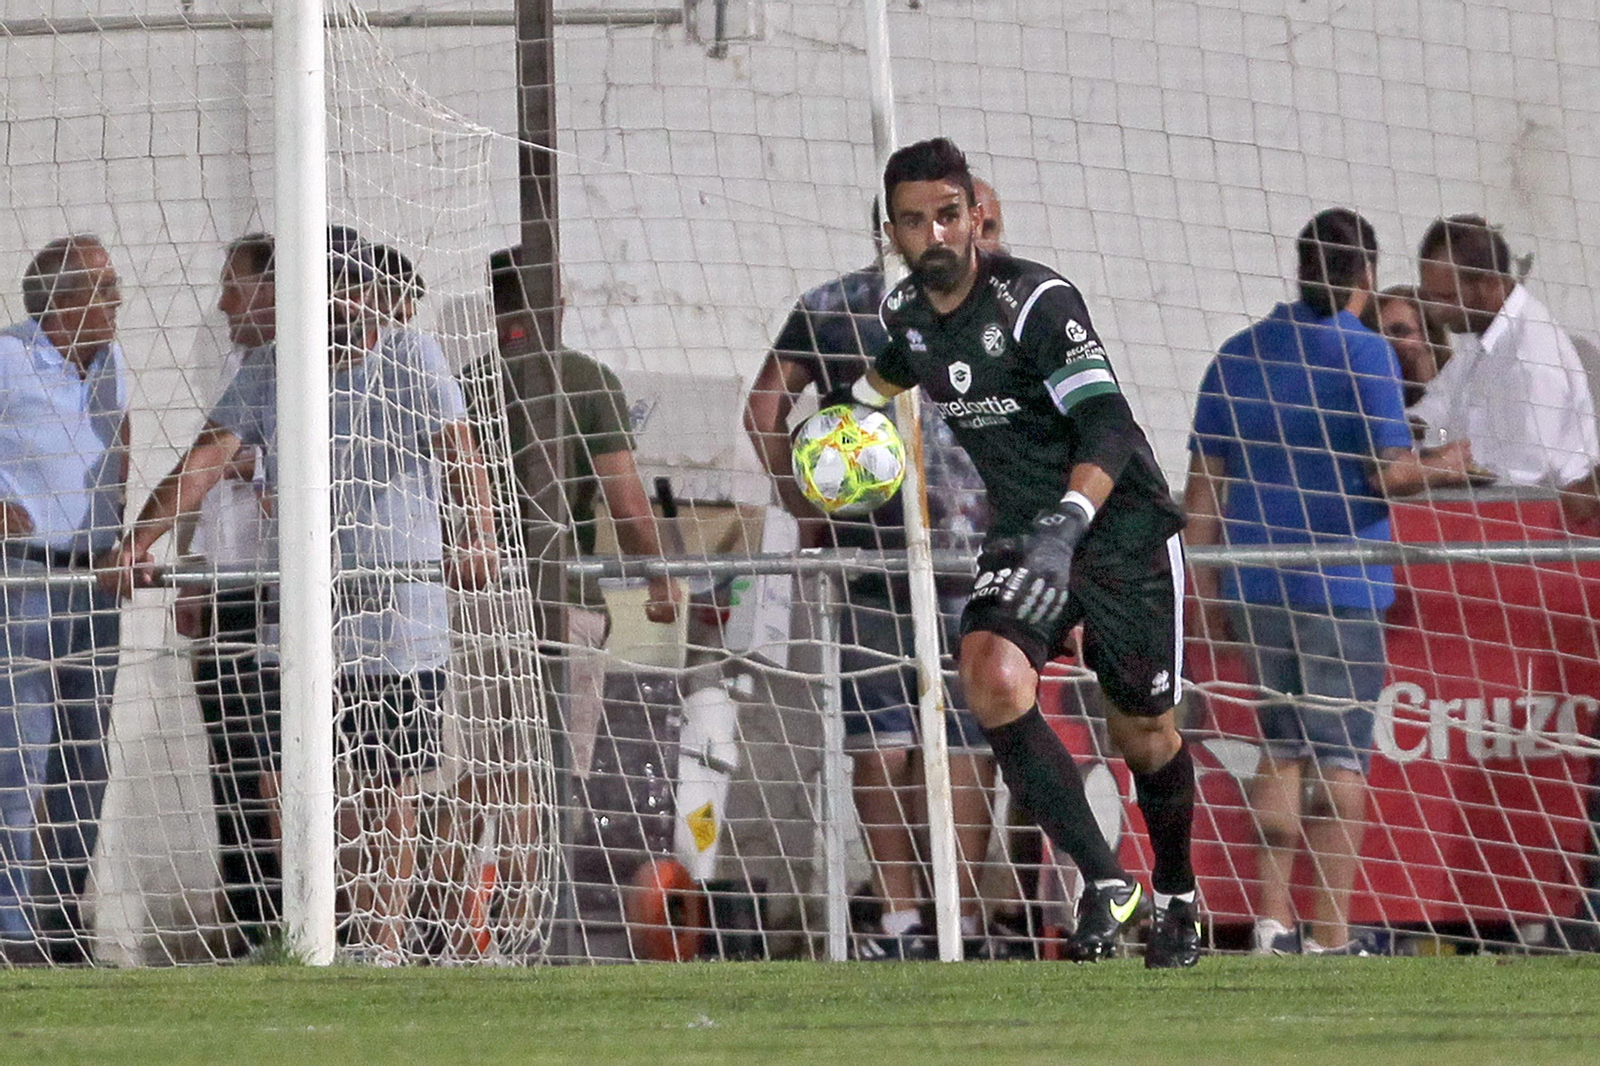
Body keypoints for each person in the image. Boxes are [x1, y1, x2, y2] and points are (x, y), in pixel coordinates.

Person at [839, 138, 1197, 967]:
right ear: (891, 231)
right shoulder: (907, 317)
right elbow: (897, 369)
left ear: (975, 218)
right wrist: (840, 419)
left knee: (1144, 733)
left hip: (1114, 528)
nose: (933, 234)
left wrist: (1069, 523)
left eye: (948, 215)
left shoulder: (1036, 303)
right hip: (1024, 532)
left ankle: (1178, 896)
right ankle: (1109, 881)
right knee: (993, 679)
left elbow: (1107, 425)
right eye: (912, 220)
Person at [100, 231, 500, 964]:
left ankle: (380, 945)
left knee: (388, 786)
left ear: (365, 295)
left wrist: (474, 536)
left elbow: (458, 449)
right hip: (307, 619)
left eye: (347, 291)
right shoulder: (273, 366)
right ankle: (320, 929)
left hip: (397, 616)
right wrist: (140, 542)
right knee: (297, 784)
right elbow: (205, 459)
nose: (338, 306)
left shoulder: (411, 357)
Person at [1186, 209, 1474, 955]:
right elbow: (1388, 472)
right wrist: (1446, 466)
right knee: (1341, 755)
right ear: (1366, 276)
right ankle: (1331, 933)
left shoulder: (1236, 354)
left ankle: (1271, 923)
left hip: (1254, 582)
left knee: (1279, 746)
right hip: (1340, 582)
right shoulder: (1367, 354)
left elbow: (1203, 491)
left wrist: (1203, 589)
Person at [743, 181, 1006, 960]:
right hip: (967, 552)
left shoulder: (831, 302)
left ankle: (900, 920)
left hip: (872, 551)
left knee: (885, 740)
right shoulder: (996, 305)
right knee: (959, 741)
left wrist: (806, 503)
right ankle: (954, 920)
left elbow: (764, 409)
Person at [428, 247, 679, 959]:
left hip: (476, 596)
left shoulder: (467, 382)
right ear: (555, 302)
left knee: (472, 771)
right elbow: (629, 504)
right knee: (546, 774)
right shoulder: (587, 380)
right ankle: (524, 932)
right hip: (561, 598)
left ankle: (447, 932)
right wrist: (658, 579)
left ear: (496, 305)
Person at [0, 236, 129, 965]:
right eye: (108, 289)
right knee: (21, 755)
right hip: (21, 580)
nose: (117, 303)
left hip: (95, 582)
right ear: (66, 301)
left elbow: (120, 437)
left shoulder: (111, 365)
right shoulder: (7, 357)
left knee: (87, 754)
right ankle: (11, 926)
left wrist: (116, 532)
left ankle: (60, 916)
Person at [177, 233, 283, 951]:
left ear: (273, 291)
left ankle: (301, 915)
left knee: (281, 762)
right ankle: (247, 926)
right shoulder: (232, 368)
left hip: (283, 598)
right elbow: (204, 483)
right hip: (224, 591)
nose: (221, 303)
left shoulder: (312, 374)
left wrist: (259, 467)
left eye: (233, 287)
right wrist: (188, 570)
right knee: (233, 762)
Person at [1412, 214, 1600, 487]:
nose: (1434, 311)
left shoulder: (1531, 354)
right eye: (1429, 297)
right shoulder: (1480, 332)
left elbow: (1528, 475)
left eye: (1447, 298)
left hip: (1537, 518)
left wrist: (1440, 469)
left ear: (1489, 285)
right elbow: (1438, 406)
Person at [1363, 284, 1452, 409]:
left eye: (1399, 331)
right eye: (1376, 332)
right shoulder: (1370, 402)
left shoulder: (1459, 391)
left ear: (1430, 336)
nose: (1385, 341)